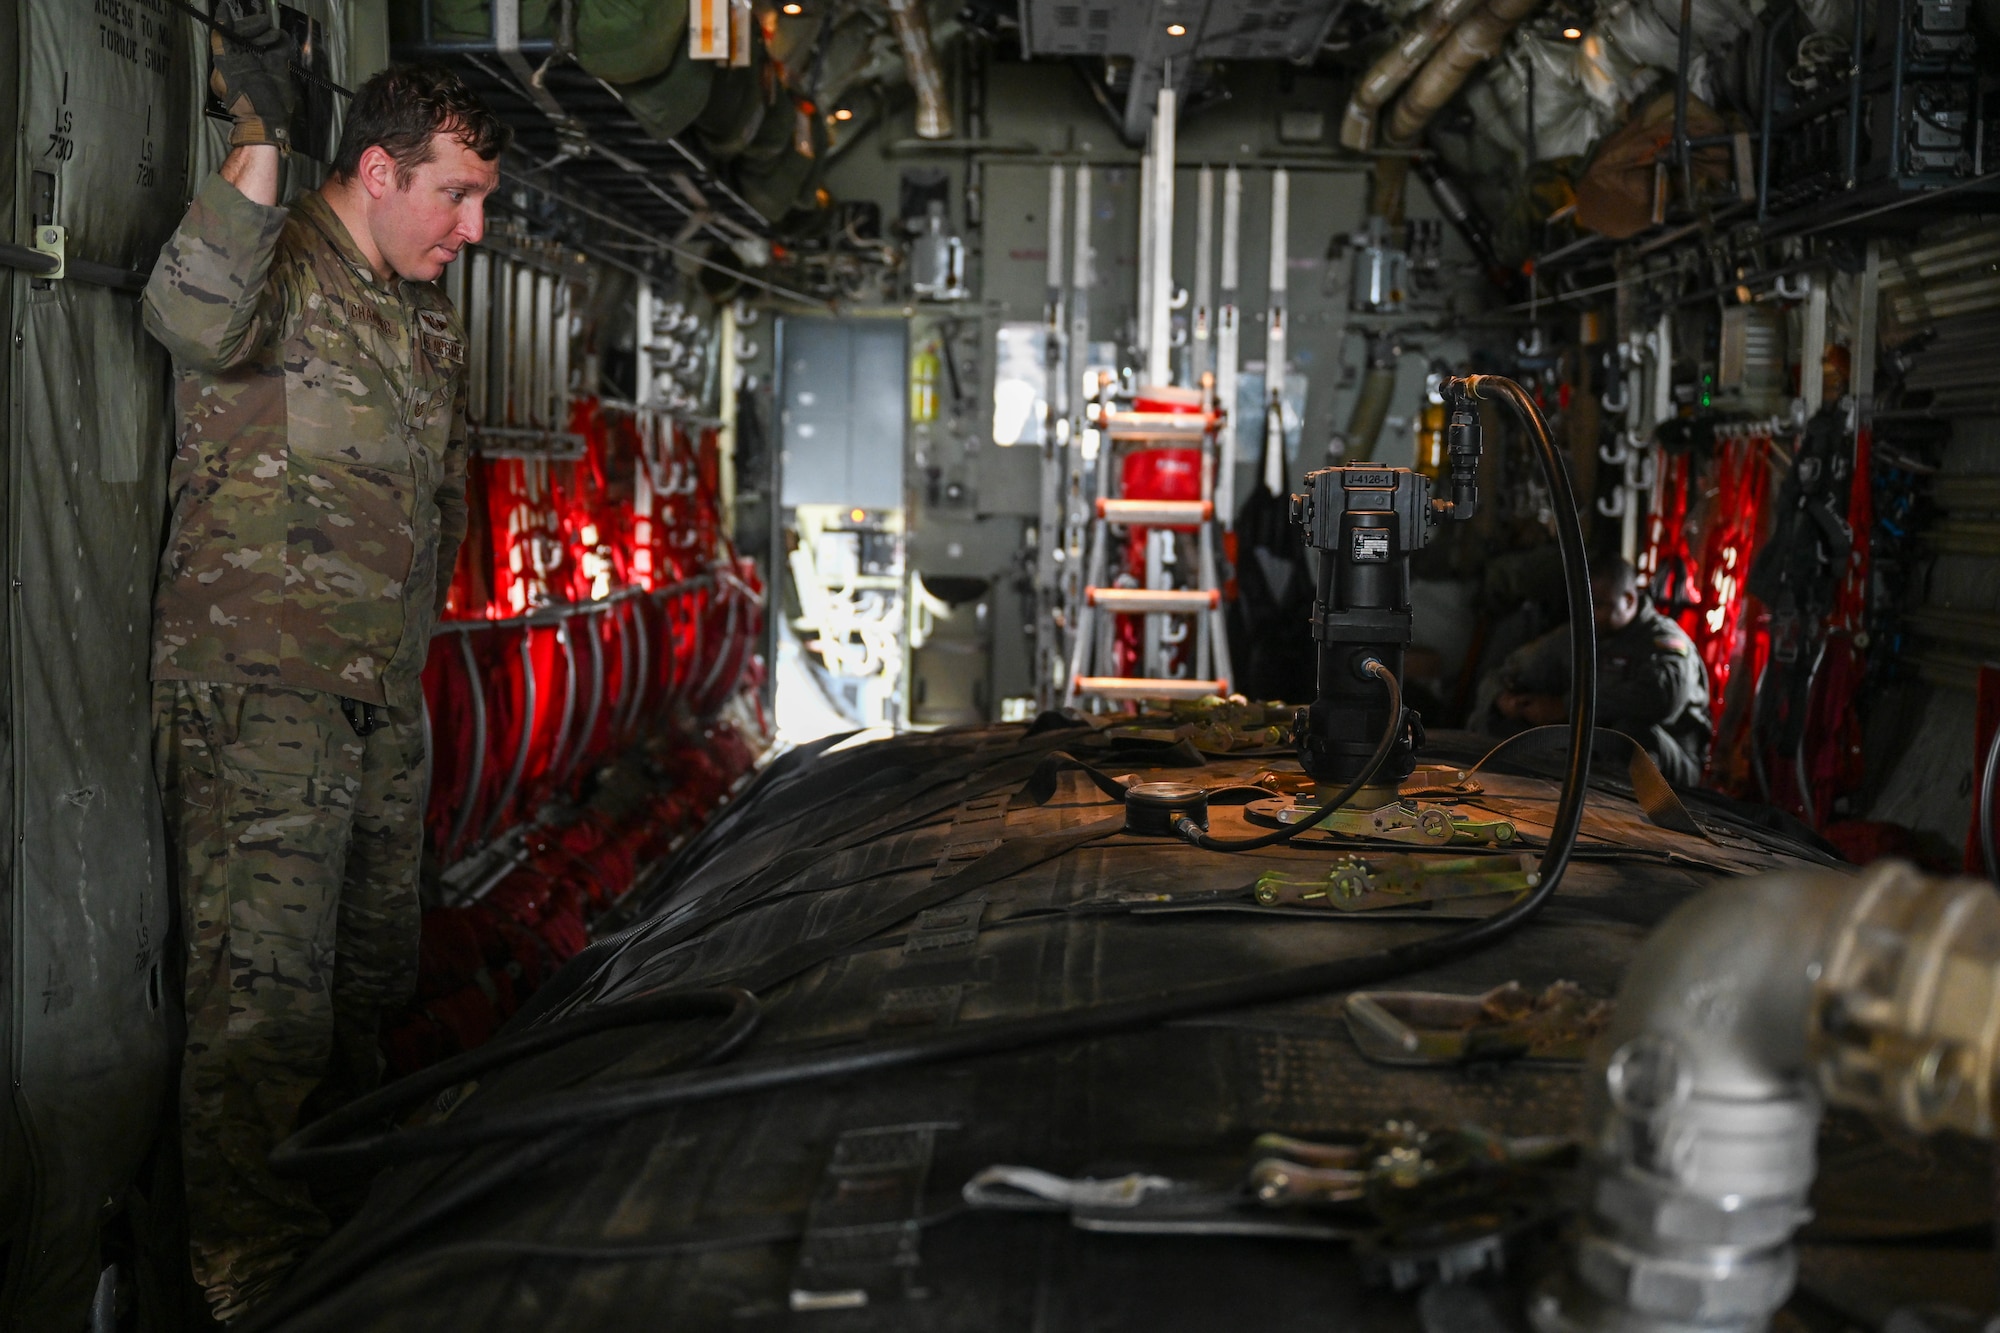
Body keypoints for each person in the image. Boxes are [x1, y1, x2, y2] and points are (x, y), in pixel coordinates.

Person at [142, 7, 507, 1318]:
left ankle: (344, 1246)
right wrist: (259, 136)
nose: (471, 228)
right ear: (378, 170)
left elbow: (440, 501)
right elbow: (184, 317)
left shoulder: (425, 318)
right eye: (456, 196)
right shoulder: (277, 264)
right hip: (262, 694)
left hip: (375, 699)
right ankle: (247, 1284)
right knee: (264, 1008)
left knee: (364, 988)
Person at [1473, 558, 1713, 787]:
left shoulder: (1665, 642)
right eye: (1584, 603)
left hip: (1671, 764)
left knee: (1631, 735)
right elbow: (1507, 671)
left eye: (1598, 605)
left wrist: (1568, 707)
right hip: (1596, 749)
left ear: (1629, 600)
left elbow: (1660, 699)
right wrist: (1504, 699)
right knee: (1503, 721)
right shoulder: (1578, 634)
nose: (1589, 613)